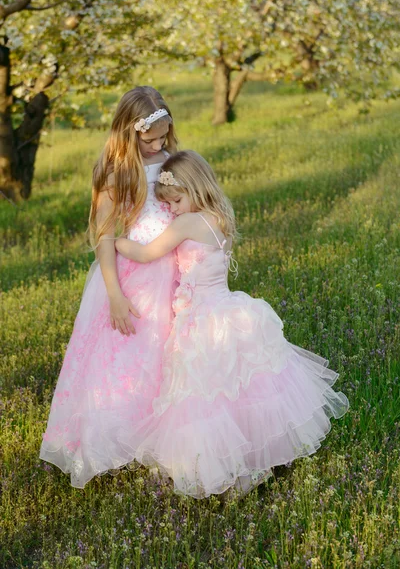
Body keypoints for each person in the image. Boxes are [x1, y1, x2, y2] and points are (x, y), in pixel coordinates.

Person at [115, 150, 349, 499]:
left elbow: (148, 253)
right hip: (229, 309)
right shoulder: (218, 217)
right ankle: (256, 456)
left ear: (194, 187)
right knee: (242, 388)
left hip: (202, 320)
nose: (174, 209)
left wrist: (115, 242)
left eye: (176, 200)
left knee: (206, 395)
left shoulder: (186, 223)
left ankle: (229, 471)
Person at [40, 87, 179, 488]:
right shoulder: (116, 172)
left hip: (174, 269)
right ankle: (123, 441)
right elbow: (104, 236)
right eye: (148, 139)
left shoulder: (173, 162)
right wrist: (115, 294)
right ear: (127, 132)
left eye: (163, 137)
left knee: (172, 355)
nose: (156, 145)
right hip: (133, 278)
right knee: (128, 360)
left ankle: (167, 443)